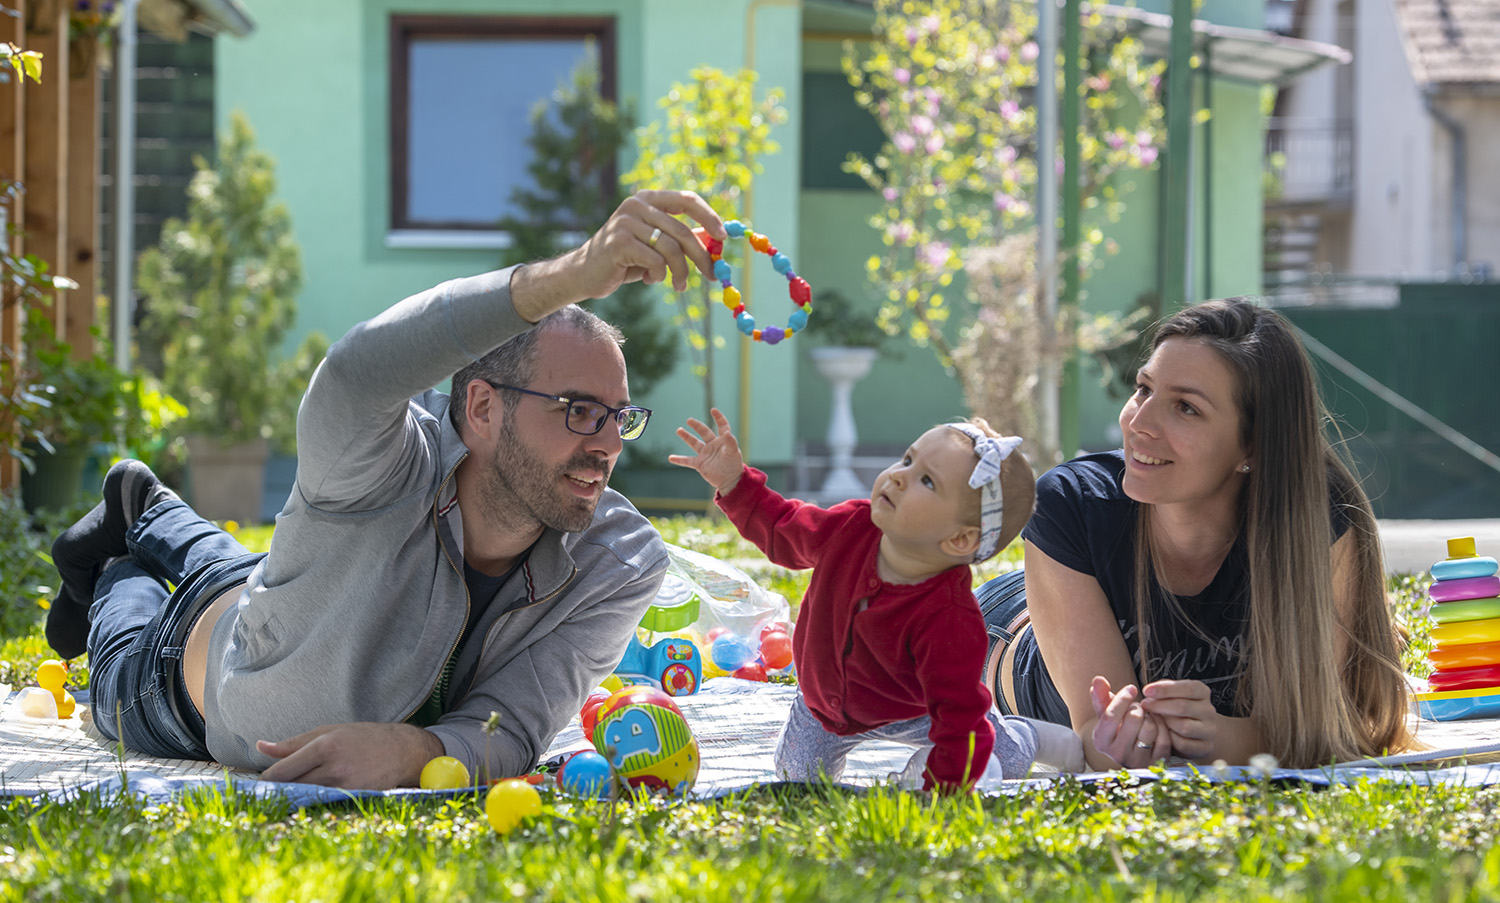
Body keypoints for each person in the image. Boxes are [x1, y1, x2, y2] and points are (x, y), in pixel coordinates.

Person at [44, 190, 730, 789]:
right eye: (580, 411)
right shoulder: (380, 456)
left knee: (254, 571)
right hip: (177, 679)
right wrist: (574, 274)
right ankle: (122, 553)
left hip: (287, 594)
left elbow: (516, 725)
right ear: (485, 409)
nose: (607, 443)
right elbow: (357, 372)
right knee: (120, 630)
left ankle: (150, 507)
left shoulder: (619, 561)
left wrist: (416, 751)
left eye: (620, 418)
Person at [976, 298, 1415, 772]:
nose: (1139, 424)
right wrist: (1144, 741)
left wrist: (1221, 736)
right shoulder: (1072, 504)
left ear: (1255, 444)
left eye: (1185, 407)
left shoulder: (1312, 519)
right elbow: (1100, 744)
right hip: (1006, 633)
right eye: (1143, 389)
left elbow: (1320, 728)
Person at [670, 408, 1085, 791]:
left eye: (927, 481)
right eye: (907, 459)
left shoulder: (950, 618)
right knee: (797, 781)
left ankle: (1029, 736)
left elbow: (959, 718)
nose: (899, 476)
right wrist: (734, 483)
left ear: (959, 539)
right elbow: (784, 529)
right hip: (823, 707)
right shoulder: (852, 525)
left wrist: (939, 785)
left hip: (916, 709)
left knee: (997, 755)